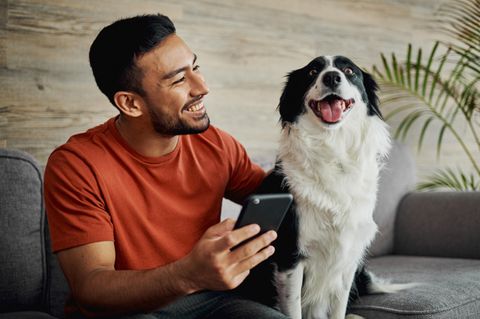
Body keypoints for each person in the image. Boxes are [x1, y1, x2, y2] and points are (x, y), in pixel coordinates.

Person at [44, 14, 287, 319]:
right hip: (127, 311)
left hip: (213, 302)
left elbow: (282, 199)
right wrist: (187, 275)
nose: (202, 87)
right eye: (178, 79)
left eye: (195, 67)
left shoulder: (217, 144)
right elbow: (91, 287)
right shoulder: (76, 165)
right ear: (131, 104)